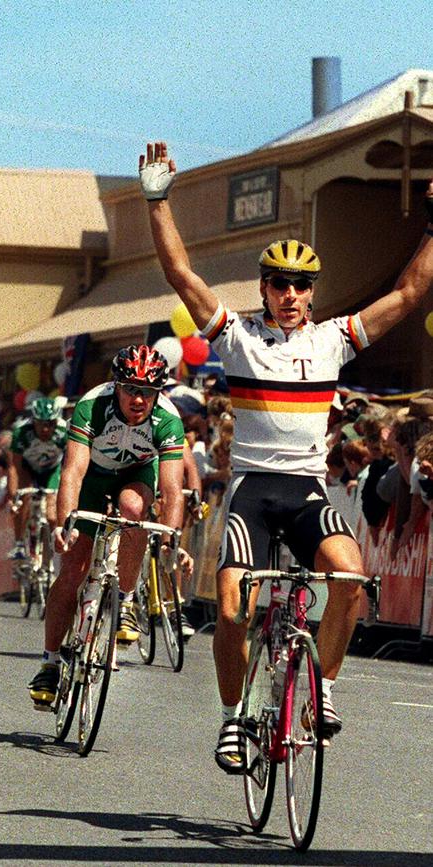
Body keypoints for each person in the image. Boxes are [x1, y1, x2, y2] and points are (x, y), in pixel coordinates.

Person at [139, 140, 433, 773]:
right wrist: (158, 201)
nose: (292, 293)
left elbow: (409, 294)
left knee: (350, 581)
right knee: (229, 609)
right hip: (252, 492)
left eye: (303, 284)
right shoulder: (238, 338)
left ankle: (321, 688)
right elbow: (181, 277)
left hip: (303, 491)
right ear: (265, 289)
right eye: (280, 283)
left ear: (311, 291)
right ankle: (232, 720)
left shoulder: (332, 341)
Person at [28, 345, 190, 708]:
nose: (139, 399)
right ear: (115, 385)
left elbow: (172, 490)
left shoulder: (168, 419)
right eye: (131, 388)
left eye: (148, 392)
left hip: (136, 475)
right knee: (73, 570)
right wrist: (66, 522)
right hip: (93, 479)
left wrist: (172, 539)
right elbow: (72, 472)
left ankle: (127, 600)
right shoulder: (92, 405)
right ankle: (50, 662)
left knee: (134, 507)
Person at [7, 397, 67, 560]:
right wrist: (14, 496)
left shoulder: (63, 432)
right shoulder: (21, 432)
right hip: (28, 468)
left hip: (52, 469)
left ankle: (55, 552)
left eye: (51, 423)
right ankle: (19, 543)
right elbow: (13, 466)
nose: (46, 429)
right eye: (41, 424)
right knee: (22, 498)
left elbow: (71, 464)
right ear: (33, 421)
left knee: (52, 516)